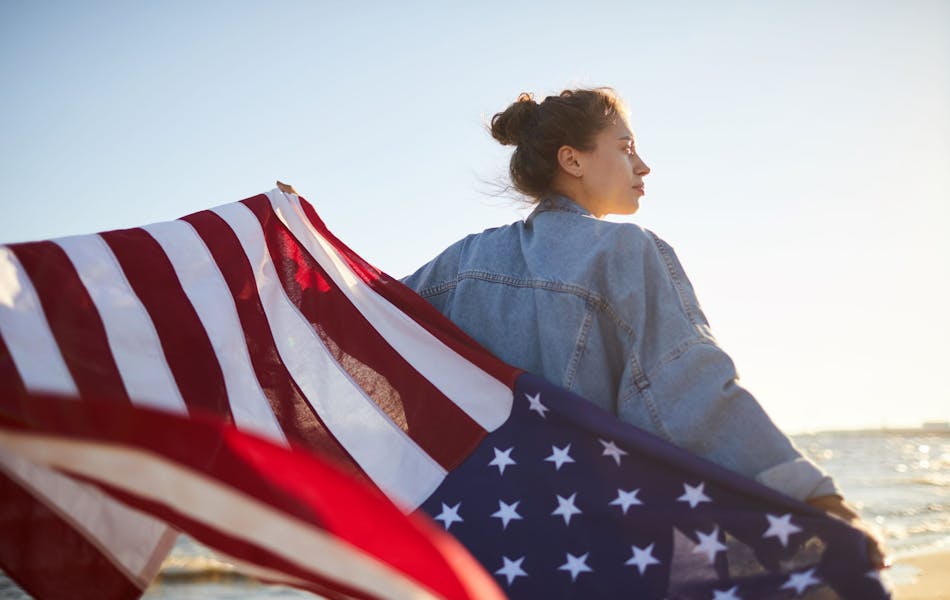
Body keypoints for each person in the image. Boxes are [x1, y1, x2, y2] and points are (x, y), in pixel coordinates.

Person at [400, 87, 888, 569]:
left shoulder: (459, 263)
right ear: (572, 160)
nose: (643, 165)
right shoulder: (624, 251)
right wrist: (814, 502)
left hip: (475, 549)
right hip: (584, 549)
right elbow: (686, 386)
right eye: (626, 147)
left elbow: (366, 322)